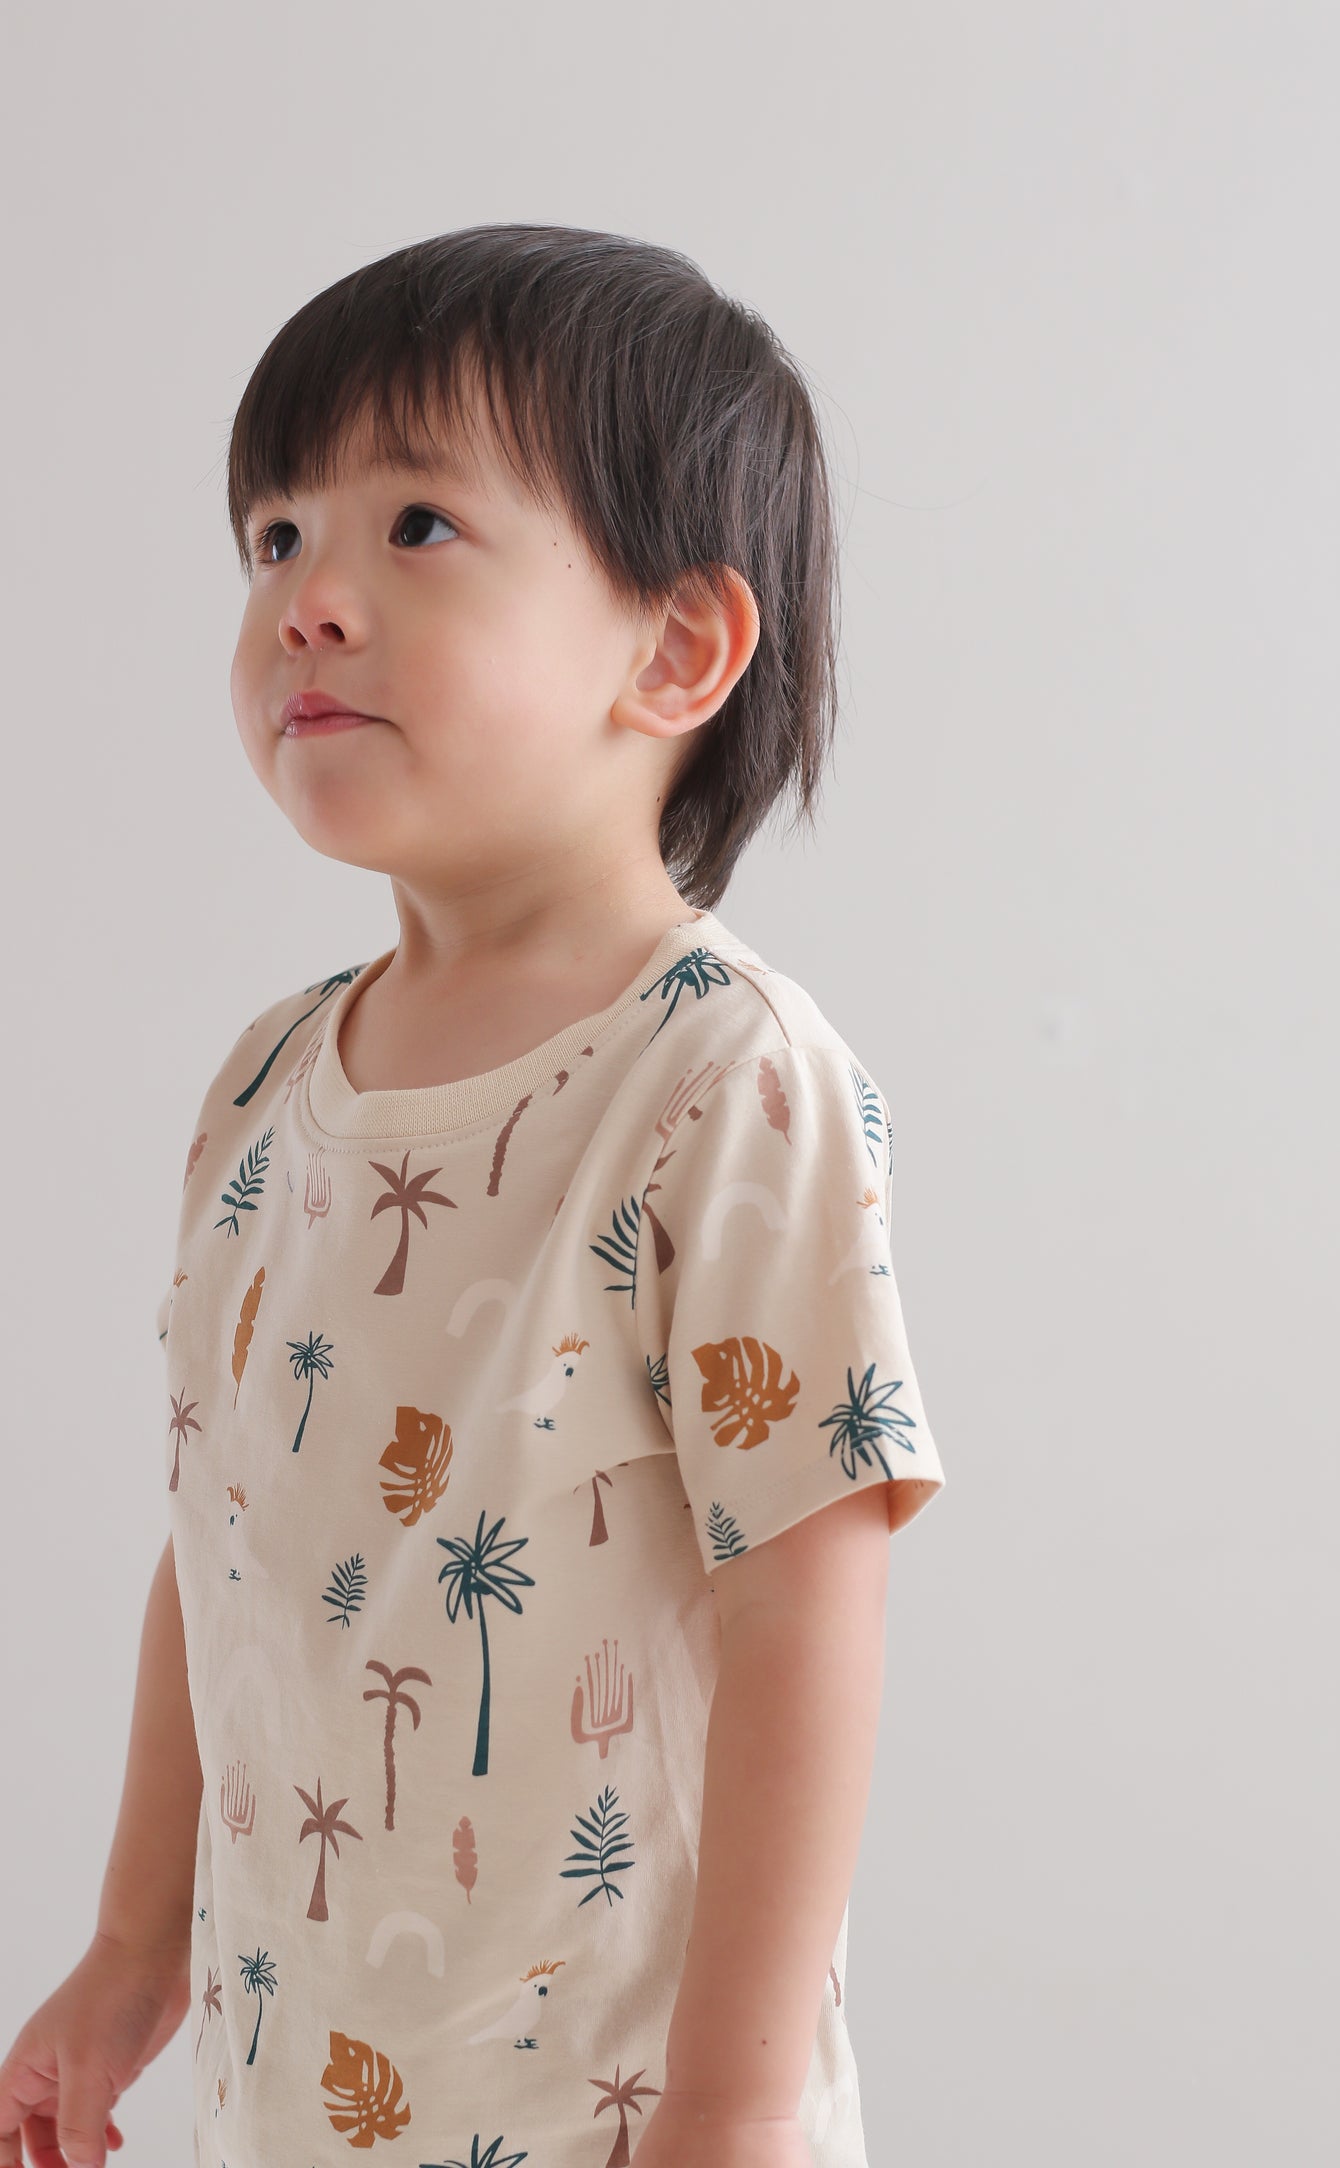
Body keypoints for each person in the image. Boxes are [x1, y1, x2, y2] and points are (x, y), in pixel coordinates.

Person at [0, 223, 946, 2168]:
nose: (308, 600)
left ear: (676, 647)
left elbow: (809, 1593)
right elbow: (223, 1538)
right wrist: (127, 1944)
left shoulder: (722, 1079)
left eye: (415, 524)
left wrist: (735, 2104)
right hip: (311, 2097)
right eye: (273, 537)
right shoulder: (263, 1088)